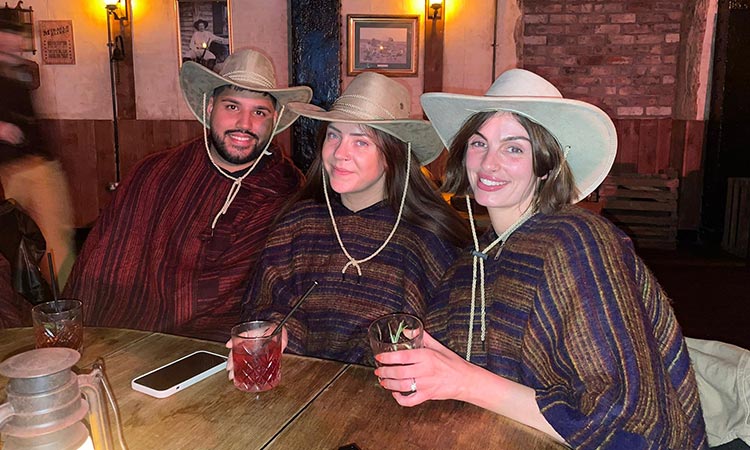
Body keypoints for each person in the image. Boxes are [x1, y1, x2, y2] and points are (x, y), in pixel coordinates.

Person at [374, 69, 708, 449]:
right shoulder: (475, 256)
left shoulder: (579, 241)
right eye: (479, 143)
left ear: (547, 164)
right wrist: (433, 351)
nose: (488, 163)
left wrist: (465, 380)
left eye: (514, 148)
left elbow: (627, 423)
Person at [63, 49, 313, 341]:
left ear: (274, 120)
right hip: (129, 334)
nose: (245, 124)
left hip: (227, 345)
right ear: (209, 109)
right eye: (232, 107)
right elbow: (101, 269)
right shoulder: (156, 174)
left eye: (259, 112)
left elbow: (289, 286)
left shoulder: (289, 190)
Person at [233, 72, 471, 366]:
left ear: (392, 155)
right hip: (297, 390)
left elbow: (446, 342)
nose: (339, 153)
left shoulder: (427, 239)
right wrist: (276, 332)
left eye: (361, 142)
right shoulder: (298, 223)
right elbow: (267, 305)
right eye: (334, 135)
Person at [0, 16, 76, 291]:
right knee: (14, 243)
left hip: (38, 165)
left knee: (56, 238)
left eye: (17, 35)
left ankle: (63, 297)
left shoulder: (22, 71)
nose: (15, 41)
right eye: (8, 34)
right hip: (9, 171)